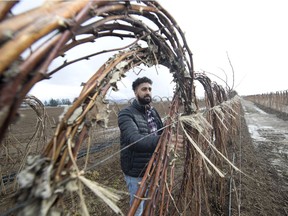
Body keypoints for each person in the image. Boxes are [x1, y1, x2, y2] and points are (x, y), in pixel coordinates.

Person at [118, 76, 163, 215]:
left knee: (151, 202)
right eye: (144, 89)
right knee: (137, 208)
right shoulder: (126, 114)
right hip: (136, 171)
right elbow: (134, 139)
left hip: (154, 166)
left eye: (149, 89)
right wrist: (164, 140)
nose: (148, 92)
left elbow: (160, 131)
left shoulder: (153, 111)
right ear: (135, 92)